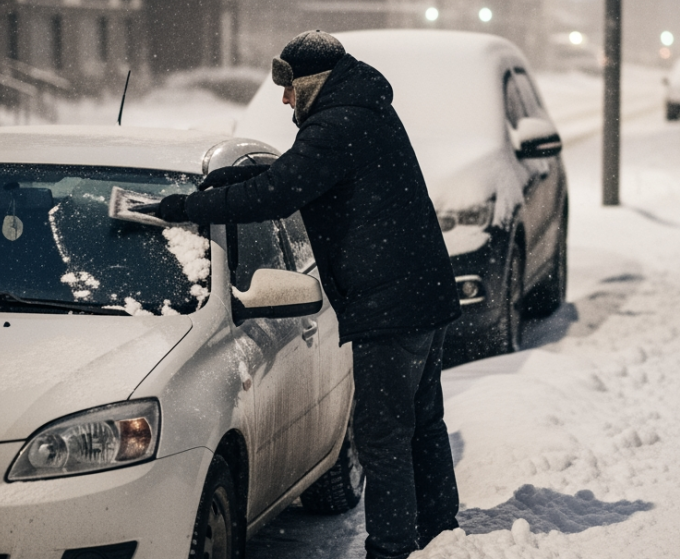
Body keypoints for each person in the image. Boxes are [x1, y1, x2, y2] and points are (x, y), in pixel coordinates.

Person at [153, 30, 462, 559]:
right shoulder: (359, 110)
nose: (285, 98)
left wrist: (185, 209)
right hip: (419, 294)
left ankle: (392, 550)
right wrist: (231, 177)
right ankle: (440, 534)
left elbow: (280, 193)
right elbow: (301, 172)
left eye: (290, 87)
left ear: (313, 83)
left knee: (382, 435)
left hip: (390, 305)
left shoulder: (338, 124)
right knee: (420, 424)